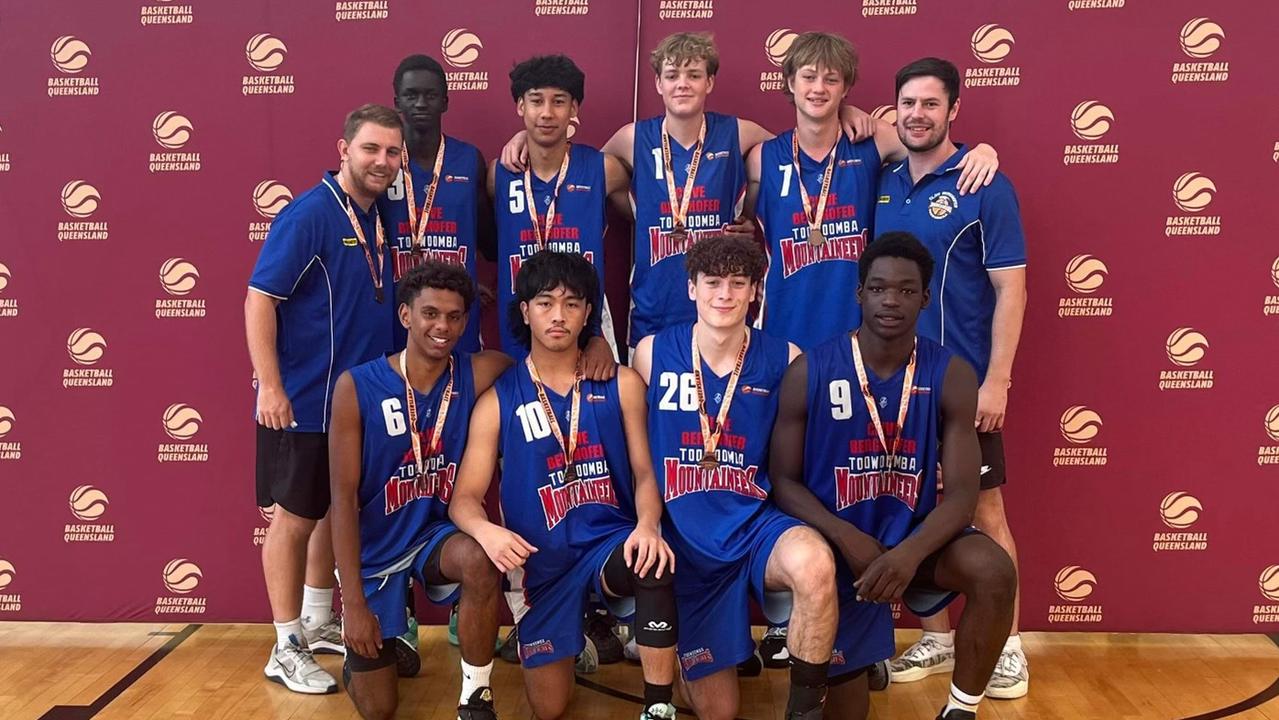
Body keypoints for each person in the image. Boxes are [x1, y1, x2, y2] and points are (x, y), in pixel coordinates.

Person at [500, 32, 875, 357]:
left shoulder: (740, 134)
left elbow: (795, 150)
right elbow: (573, 167)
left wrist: (841, 111)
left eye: (694, 75)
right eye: (672, 75)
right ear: (658, 84)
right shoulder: (631, 140)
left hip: (722, 308)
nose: (683, 84)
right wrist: (524, 136)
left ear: (709, 82)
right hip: (654, 310)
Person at [769, 232, 1017, 720]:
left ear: (925, 298)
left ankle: (961, 711)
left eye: (906, 290)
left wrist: (909, 554)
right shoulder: (810, 370)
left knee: (993, 569)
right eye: (879, 288)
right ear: (859, 293)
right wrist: (844, 537)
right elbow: (783, 481)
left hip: (912, 544)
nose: (891, 300)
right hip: (837, 551)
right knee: (847, 712)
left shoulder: (951, 374)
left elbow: (963, 495)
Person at [449, 251, 680, 720]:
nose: (559, 315)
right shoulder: (498, 400)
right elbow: (464, 499)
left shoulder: (624, 384)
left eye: (572, 304)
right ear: (524, 311)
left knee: (653, 561)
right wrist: (487, 532)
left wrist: (649, 524)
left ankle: (659, 708)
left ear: (589, 313)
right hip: (542, 563)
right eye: (546, 302)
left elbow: (644, 472)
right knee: (549, 708)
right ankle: (575, 639)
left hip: (609, 542)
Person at [873, 58, 1029, 699]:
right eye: (907, 103)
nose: (917, 114)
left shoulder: (984, 183)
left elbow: (1011, 289)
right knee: (911, 511)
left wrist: (998, 381)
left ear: (953, 110)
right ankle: (935, 637)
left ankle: (1009, 645)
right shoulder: (882, 176)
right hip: (890, 385)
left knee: (986, 510)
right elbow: (860, 126)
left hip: (961, 386)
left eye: (930, 105)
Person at [631, 236, 838, 720]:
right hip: (685, 541)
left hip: (753, 527)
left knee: (814, 565)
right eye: (713, 282)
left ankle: (805, 712)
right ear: (692, 289)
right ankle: (692, 653)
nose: (724, 294)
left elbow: (814, 446)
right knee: (718, 712)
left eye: (737, 283)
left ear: (754, 293)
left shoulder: (786, 356)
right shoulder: (650, 353)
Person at [246, 104, 402, 694]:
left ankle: (315, 616)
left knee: (330, 511)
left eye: (392, 153)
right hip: (305, 402)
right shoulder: (309, 214)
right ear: (344, 150)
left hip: (355, 407)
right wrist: (271, 385)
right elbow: (260, 298)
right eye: (370, 149)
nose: (381, 161)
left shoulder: (380, 216)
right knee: (293, 518)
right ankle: (284, 645)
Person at [329, 262, 510, 719]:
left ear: (466, 322)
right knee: (379, 710)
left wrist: (593, 342)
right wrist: (351, 603)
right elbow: (343, 503)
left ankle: (475, 696)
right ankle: (379, 646)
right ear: (406, 316)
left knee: (480, 557)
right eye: (430, 314)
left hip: (433, 537)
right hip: (375, 551)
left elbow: (545, 364)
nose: (442, 327)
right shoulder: (357, 387)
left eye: (453, 317)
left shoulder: (478, 371)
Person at [746, 32, 999, 351]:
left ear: (846, 88)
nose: (819, 88)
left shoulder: (872, 142)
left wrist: (983, 152)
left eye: (832, 79)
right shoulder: (760, 159)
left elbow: (933, 150)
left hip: (861, 342)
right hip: (782, 338)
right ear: (790, 83)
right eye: (809, 77)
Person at [488, 55, 629, 376]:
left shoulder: (604, 170)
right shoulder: (499, 175)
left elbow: (651, 212)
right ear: (520, 106)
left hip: (583, 326)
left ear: (574, 109)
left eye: (559, 102)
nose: (547, 113)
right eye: (536, 101)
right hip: (518, 325)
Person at [379, 54, 496, 354]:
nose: (420, 103)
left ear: (445, 101)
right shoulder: (382, 162)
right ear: (397, 102)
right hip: (395, 313)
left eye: (430, 95)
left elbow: (489, 242)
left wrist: (466, 275)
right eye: (411, 95)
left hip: (453, 312)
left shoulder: (469, 160)